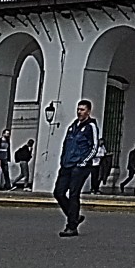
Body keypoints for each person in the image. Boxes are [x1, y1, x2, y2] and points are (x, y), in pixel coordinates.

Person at [54, 99, 100, 237]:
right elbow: (66, 144)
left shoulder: (91, 126)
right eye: (78, 109)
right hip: (67, 165)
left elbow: (94, 146)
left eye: (82, 109)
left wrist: (84, 162)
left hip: (80, 166)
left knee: (74, 194)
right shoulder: (73, 126)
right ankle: (74, 217)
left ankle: (71, 226)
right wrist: (63, 160)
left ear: (88, 111)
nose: (79, 112)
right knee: (58, 193)